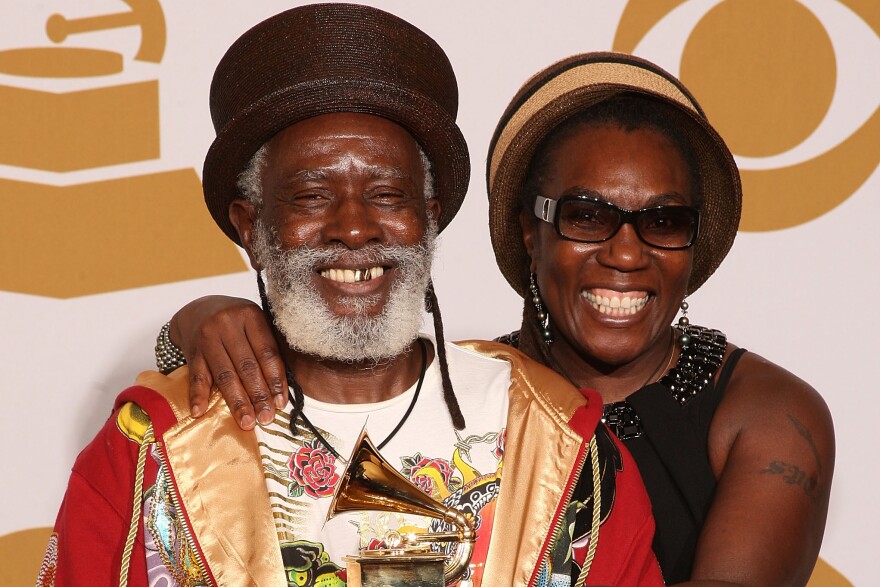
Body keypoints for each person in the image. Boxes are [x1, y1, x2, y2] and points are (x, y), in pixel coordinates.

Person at [40, 7, 663, 587]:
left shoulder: (560, 440)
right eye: (311, 197)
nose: (355, 227)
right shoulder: (155, 450)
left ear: (430, 218)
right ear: (250, 228)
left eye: (388, 195)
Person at [165, 52, 835, 586]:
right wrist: (195, 323)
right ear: (528, 230)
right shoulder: (473, 388)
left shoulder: (772, 415)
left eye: (663, 221)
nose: (626, 252)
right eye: (587, 215)